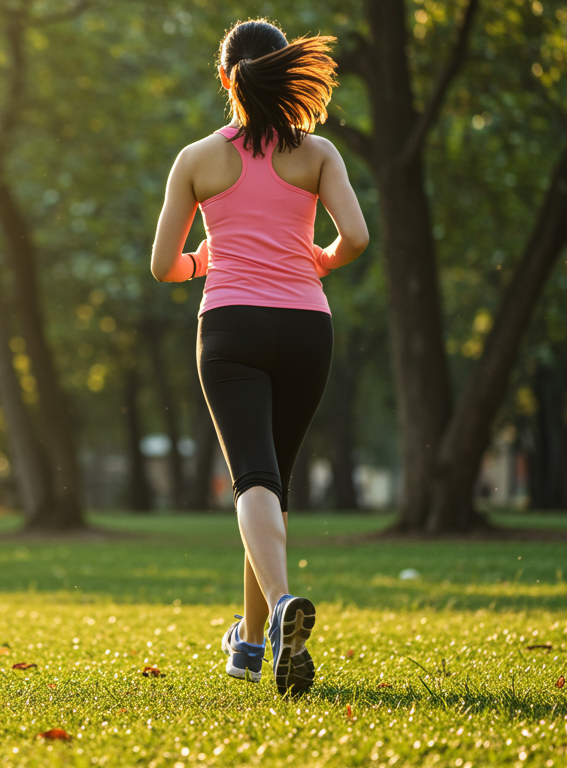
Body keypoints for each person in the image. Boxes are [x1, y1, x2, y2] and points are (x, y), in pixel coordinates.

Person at [149, 18, 368, 697]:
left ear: (227, 79)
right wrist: (321, 260)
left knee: (253, 482)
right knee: (271, 484)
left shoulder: (196, 159)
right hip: (307, 328)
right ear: (282, 70)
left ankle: (276, 613)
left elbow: (163, 267)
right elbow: (356, 237)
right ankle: (247, 646)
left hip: (232, 329)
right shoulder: (318, 154)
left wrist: (203, 261)